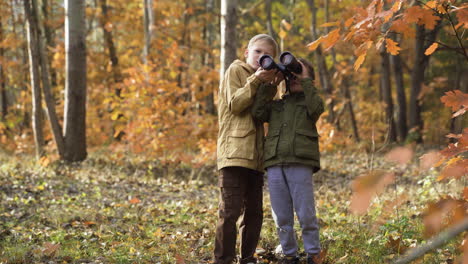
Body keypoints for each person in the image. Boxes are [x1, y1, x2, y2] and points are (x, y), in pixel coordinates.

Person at [214, 34, 282, 264]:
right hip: (233, 153)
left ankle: (247, 259)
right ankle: (222, 259)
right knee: (230, 212)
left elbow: (259, 114)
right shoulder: (235, 70)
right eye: (258, 52)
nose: (262, 57)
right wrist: (255, 80)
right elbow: (235, 104)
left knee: (254, 214)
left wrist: (272, 85)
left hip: (256, 157)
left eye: (268, 56)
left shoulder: (263, 80)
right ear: (246, 52)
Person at [251, 58, 324, 264]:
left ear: (310, 80)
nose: (294, 78)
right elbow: (258, 112)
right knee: (281, 215)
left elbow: (317, 108)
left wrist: (305, 81)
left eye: (299, 73)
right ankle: (290, 255)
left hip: (300, 162)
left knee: (305, 213)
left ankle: (313, 253)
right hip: (275, 163)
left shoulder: (310, 102)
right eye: (292, 74)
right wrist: (270, 86)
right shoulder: (277, 105)